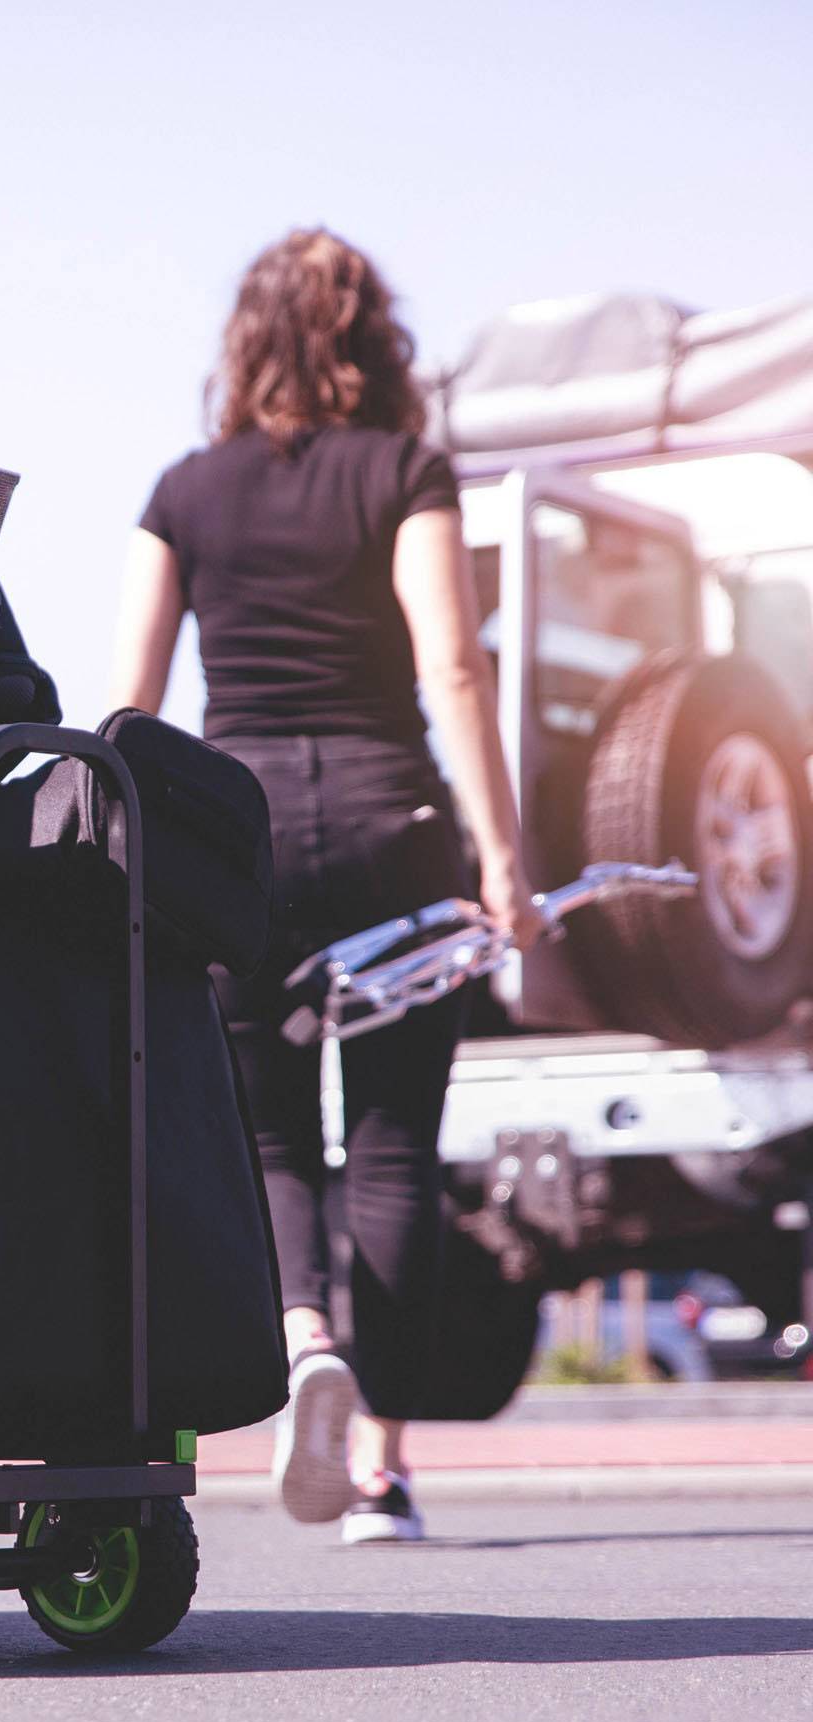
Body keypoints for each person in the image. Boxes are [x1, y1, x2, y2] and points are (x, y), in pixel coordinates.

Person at [112, 228, 540, 1543]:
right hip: (391, 825)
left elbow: (128, 704)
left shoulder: (184, 492)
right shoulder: (407, 470)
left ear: (245, 344)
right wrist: (506, 852)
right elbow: (453, 667)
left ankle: (306, 1348)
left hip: (241, 839)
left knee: (274, 1139)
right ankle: (383, 1474)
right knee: (398, 1140)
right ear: (377, 343)